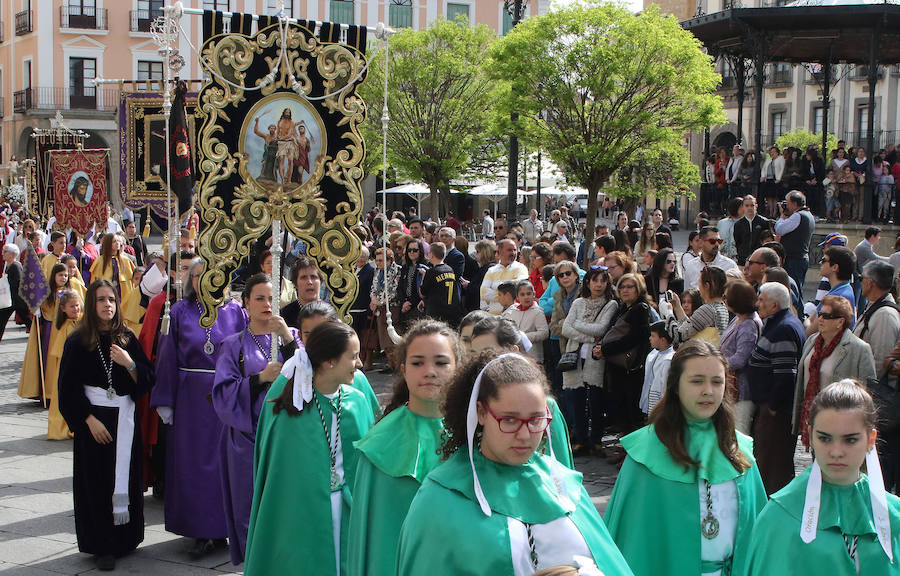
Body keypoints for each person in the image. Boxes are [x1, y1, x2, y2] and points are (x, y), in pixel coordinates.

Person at [397, 352, 633, 576]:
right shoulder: (440, 498)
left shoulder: (564, 485)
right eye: (509, 420)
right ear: (481, 412)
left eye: (536, 420)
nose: (524, 435)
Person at [604, 340, 767, 576]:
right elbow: (632, 542)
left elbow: (757, 532)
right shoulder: (646, 456)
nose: (708, 391)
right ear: (675, 385)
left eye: (717, 381)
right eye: (697, 381)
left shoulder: (739, 449)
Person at [244, 321, 375, 576]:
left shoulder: (356, 401)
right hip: (301, 516)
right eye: (354, 356)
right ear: (330, 361)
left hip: (349, 513)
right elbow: (278, 480)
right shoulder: (289, 406)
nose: (360, 363)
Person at [744, 380, 900, 575]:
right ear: (810, 436)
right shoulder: (780, 516)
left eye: (850, 440)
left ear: (870, 440)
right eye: (825, 438)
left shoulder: (894, 515)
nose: (836, 452)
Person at [150, 258, 247, 557]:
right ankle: (198, 530)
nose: (203, 281)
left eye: (211, 275)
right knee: (193, 466)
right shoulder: (178, 312)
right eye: (197, 276)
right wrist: (165, 399)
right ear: (190, 280)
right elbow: (167, 356)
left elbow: (245, 354)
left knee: (223, 464)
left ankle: (222, 528)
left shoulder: (235, 312)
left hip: (226, 397)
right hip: (191, 399)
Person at [58, 280, 155, 571]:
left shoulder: (126, 338)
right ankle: (101, 545)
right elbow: (67, 388)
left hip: (124, 419)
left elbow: (147, 378)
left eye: (111, 299)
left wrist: (130, 364)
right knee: (96, 483)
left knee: (125, 477)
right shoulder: (77, 341)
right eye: (101, 299)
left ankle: (126, 538)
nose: (107, 305)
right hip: (94, 422)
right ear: (92, 304)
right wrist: (88, 420)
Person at [348, 320, 459, 576]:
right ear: (403, 370)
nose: (429, 371)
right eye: (417, 363)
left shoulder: (476, 435)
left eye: (441, 363)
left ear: (458, 368)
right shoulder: (381, 443)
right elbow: (372, 537)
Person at [211, 274, 299, 565]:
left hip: (285, 435)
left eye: (272, 298)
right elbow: (222, 392)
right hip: (246, 436)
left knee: (284, 506)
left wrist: (286, 338)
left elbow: (308, 379)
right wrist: (259, 378)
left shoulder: (292, 336)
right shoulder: (232, 344)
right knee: (249, 507)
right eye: (259, 298)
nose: (267, 304)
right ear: (246, 302)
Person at [747, 282, 807, 495]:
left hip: (776, 412)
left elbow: (785, 374)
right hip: (771, 408)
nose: (757, 304)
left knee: (773, 464)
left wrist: (772, 407)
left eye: (761, 300)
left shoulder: (783, 329)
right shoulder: (777, 323)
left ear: (774, 305)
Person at [794, 295, 876, 449]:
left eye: (827, 316)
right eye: (820, 314)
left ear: (840, 321)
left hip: (841, 420)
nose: (821, 319)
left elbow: (868, 391)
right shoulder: (812, 341)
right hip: (813, 415)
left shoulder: (858, 348)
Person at [560, 266, 618, 456]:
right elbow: (566, 328)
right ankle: (582, 439)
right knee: (576, 400)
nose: (599, 285)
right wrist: (586, 332)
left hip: (595, 360)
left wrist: (578, 326)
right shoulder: (578, 303)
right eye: (595, 280)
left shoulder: (610, 304)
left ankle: (596, 441)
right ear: (587, 282)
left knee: (595, 401)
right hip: (575, 356)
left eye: (603, 281)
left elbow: (600, 330)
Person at [594, 273, 653, 444]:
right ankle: (624, 447)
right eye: (621, 287)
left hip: (632, 367)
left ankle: (632, 451)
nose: (625, 290)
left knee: (632, 411)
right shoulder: (623, 307)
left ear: (639, 288)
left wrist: (606, 349)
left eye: (629, 286)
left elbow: (635, 337)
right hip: (617, 365)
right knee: (621, 409)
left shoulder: (640, 308)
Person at [719, 280, 763, 435]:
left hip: (742, 391)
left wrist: (717, 364)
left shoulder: (749, 324)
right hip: (731, 388)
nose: (723, 299)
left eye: (726, 296)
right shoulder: (739, 318)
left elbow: (740, 359)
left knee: (739, 434)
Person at [45, 289, 83, 440]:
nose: (76, 309)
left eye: (77, 305)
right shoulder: (64, 327)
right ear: (63, 309)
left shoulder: (83, 322)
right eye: (72, 306)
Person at [667, 265, 730, 346]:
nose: (698, 287)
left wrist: (668, 312)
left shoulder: (707, 309)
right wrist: (677, 307)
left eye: (699, 282)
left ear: (707, 286)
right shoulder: (722, 307)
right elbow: (690, 327)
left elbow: (678, 335)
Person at [774, 190, 815, 299]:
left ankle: (799, 314)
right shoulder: (808, 215)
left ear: (794, 204)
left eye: (787, 203)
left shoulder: (798, 216)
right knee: (796, 289)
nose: (786, 206)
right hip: (800, 258)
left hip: (794, 259)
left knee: (793, 291)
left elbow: (780, 229)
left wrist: (782, 216)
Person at [369, 246, 401, 369]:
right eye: (377, 260)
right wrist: (373, 299)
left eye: (381, 260)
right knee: (383, 337)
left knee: (392, 336)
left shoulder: (397, 270)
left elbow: (395, 289)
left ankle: (396, 363)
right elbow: (373, 287)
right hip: (379, 308)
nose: (378, 263)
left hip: (392, 307)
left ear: (389, 260)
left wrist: (382, 301)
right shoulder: (377, 271)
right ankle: (390, 362)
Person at [502, 280, 549, 364]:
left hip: (532, 357)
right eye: (522, 294)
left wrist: (524, 337)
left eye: (528, 294)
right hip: (514, 355)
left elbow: (544, 333)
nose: (526, 297)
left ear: (533, 294)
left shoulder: (537, 312)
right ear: (517, 297)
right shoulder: (511, 310)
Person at [420, 242, 464, 327]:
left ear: (431, 255)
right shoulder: (450, 269)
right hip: (451, 311)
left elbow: (422, 293)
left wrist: (423, 276)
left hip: (436, 313)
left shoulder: (431, 272)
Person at [480, 239, 528, 315]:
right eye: (509, 250)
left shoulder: (521, 268)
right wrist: (506, 294)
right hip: (494, 318)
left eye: (515, 250)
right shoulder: (491, 270)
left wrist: (495, 291)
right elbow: (483, 293)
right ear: (499, 252)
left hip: (514, 317)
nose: (513, 253)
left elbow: (518, 288)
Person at [683, 226, 738, 290]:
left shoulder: (730, 265)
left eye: (719, 241)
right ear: (701, 242)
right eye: (712, 241)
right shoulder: (691, 266)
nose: (717, 244)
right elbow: (687, 292)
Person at [638, 321, 674, 417]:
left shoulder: (668, 360)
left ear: (662, 340)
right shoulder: (654, 354)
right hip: (652, 401)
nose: (650, 338)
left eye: (653, 336)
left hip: (660, 405)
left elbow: (665, 387)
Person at [280, 255, 325, 329]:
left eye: (313, 277)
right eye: (304, 277)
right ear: (296, 283)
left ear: (320, 281)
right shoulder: (284, 315)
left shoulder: (330, 312)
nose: (309, 282)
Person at [89, 233, 135, 302]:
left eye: (118, 241)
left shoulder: (126, 260)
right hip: (106, 293)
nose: (117, 243)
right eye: (114, 241)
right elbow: (94, 281)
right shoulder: (100, 261)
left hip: (123, 295)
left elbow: (132, 280)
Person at [397, 237, 428, 330]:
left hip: (418, 307)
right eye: (409, 250)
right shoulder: (404, 268)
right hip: (405, 307)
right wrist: (404, 302)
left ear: (420, 251)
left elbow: (425, 289)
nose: (411, 252)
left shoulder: (426, 267)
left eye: (415, 250)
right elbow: (400, 287)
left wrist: (410, 303)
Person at [0, 244, 28, 343]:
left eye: (5, 251)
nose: (2, 254)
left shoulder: (15, 266)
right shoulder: (10, 265)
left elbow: (16, 284)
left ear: (12, 254)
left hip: (16, 301)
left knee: (29, 322)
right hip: (12, 301)